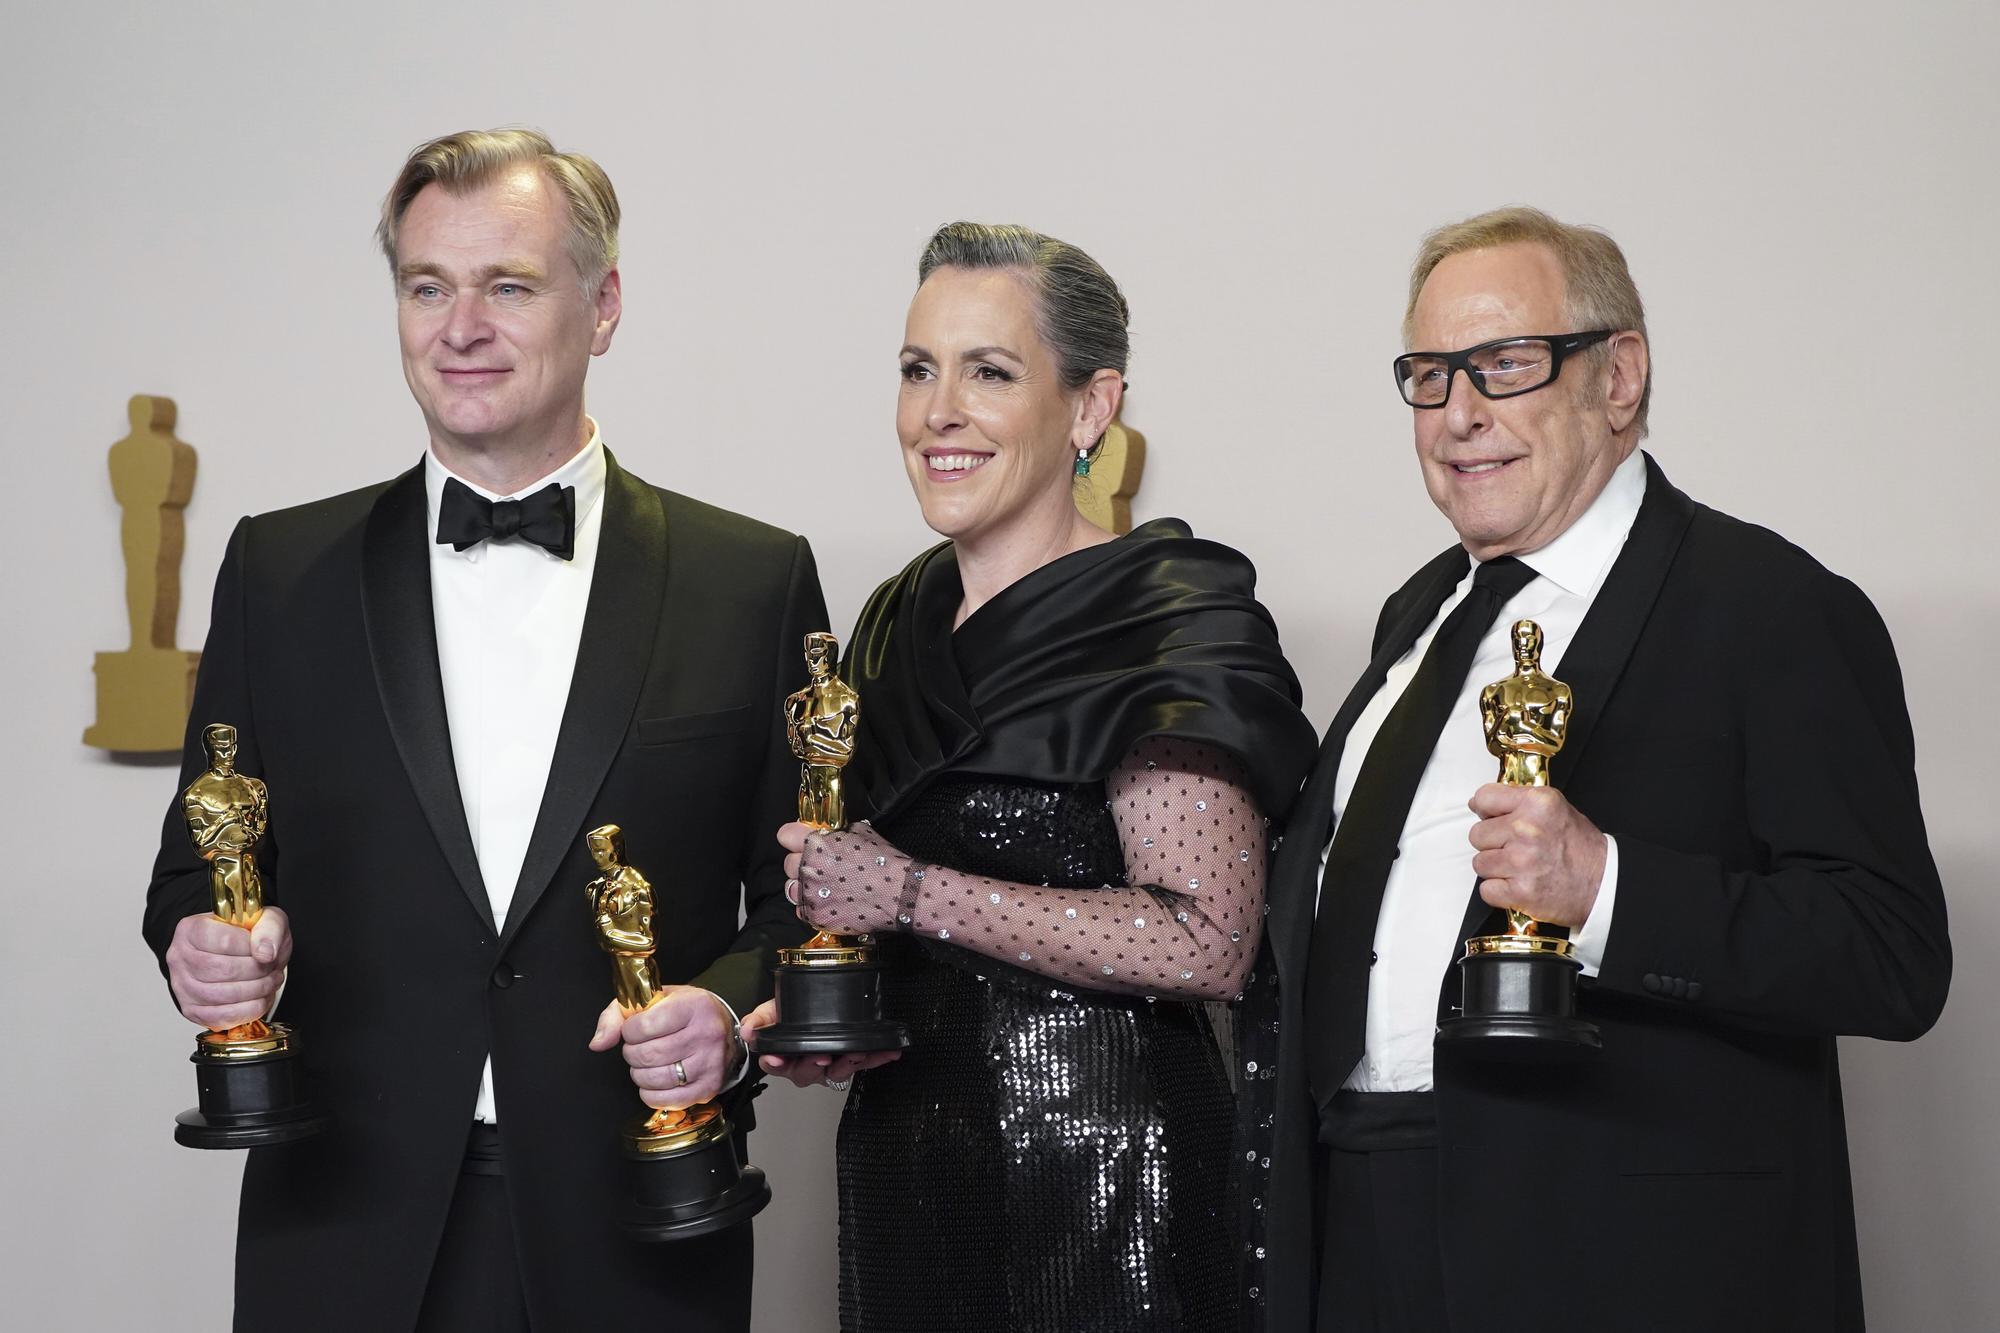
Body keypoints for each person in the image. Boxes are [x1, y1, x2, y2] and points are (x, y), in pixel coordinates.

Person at [141, 128, 825, 1332]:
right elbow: (196, 866)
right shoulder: (277, 569)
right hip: (344, 1221)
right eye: (425, 286)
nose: (460, 327)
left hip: (639, 1219)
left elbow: (809, 900)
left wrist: (721, 1011)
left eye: (507, 284)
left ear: (602, 305)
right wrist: (198, 945)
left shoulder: (753, 579)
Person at [1261, 206, 1951, 1332]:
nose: (1458, 415)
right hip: (1361, 1232)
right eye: (1429, 376)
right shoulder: (1418, 613)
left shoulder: (1769, 608)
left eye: (1505, 365)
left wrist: (1606, 890)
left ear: (1617, 375)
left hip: (1622, 1262)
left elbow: (1892, 953)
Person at [742, 221, 1318, 1333]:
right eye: (917, 370)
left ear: (1091, 408)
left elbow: (1206, 939)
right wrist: (822, 1001)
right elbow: (886, 916)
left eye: (988, 372)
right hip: (908, 1164)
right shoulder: (893, 618)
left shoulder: (1166, 617)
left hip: (1114, 1188)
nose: (937, 412)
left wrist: (906, 894)